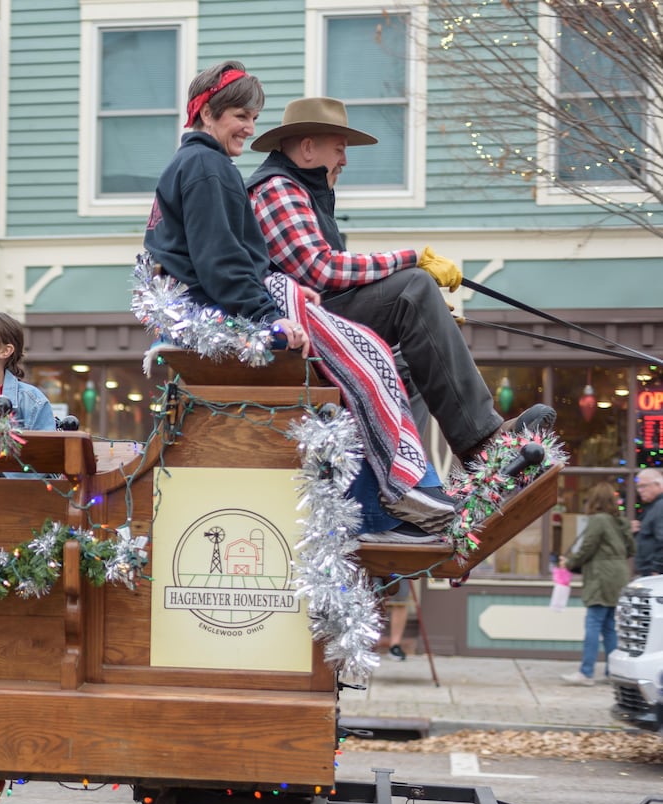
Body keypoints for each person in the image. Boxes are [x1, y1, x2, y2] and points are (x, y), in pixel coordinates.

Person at [143, 61, 455, 533]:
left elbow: (230, 257)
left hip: (216, 307)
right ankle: (404, 491)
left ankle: (404, 488)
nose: (249, 128)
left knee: (375, 354)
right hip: (222, 315)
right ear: (206, 113)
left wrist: (283, 284)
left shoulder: (201, 165)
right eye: (239, 116)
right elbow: (221, 264)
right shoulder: (209, 168)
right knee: (365, 357)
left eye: (253, 117)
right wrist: (273, 315)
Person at [245, 97, 555, 465]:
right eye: (340, 149)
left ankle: (411, 476)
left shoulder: (301, 188)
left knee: (410, 357)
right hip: (295, 329)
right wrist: (414, 259)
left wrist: (431, 319)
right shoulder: (278, 188)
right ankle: (484, 442)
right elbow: (321, 270)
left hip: (313, 320)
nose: (344, 160)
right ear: (309, 148)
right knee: (415, 286)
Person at [560, 483, 635, 685]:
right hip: (619, 576)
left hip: (601, 576)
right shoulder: (621, 521)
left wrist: (569, 563)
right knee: (610, 626)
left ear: (594, 500)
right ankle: (614, 671)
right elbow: (631, 550)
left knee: (593, 623)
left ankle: (586, 672)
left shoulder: (598, 520)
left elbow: (587, 547)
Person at [633, 468, 663, 576]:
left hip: (655, 574)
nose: (639, 490)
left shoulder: (660, 507)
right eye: (638, 487)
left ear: (658, 485)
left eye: (643, 486)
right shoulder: (653, 507)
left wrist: (657, 568)